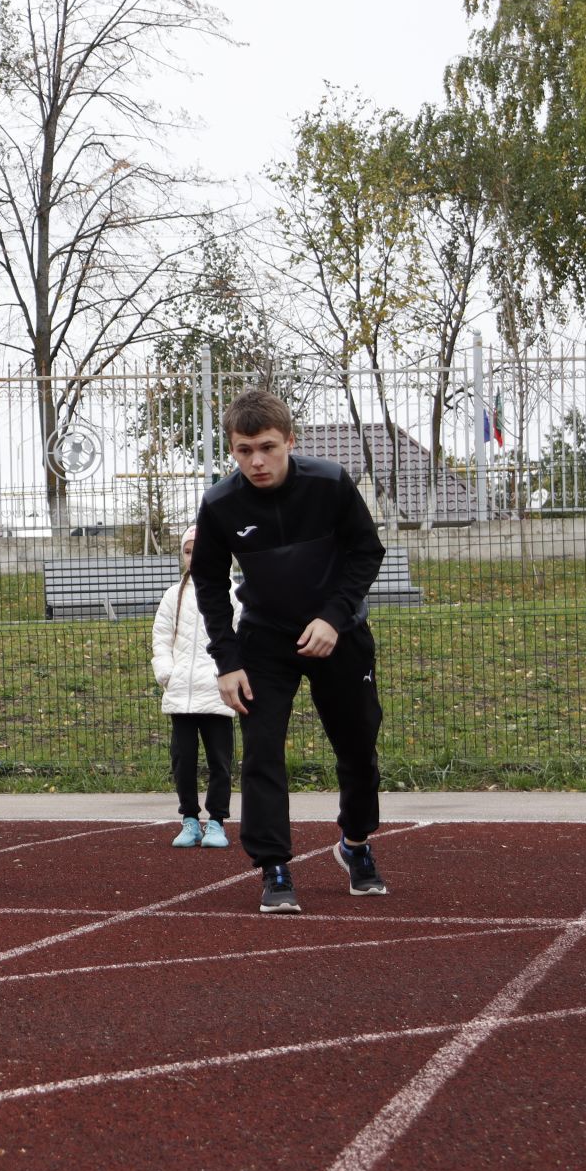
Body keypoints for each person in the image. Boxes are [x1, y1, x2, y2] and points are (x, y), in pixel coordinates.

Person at [190, 389, 388, 914]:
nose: (256, 461)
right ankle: (274, 866)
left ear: (290, 442)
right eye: (243, 450)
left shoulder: (330, 484)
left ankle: (356, 844)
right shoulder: (219, 504)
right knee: (261, 751)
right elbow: (208, 583)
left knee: (358, 746)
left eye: (267, 447)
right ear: (231, 450)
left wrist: (334, 617)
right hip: (265, 642)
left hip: (338, 635)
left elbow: (367, 551)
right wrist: (227, 662)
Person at [151, 523, 238, 850]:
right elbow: (161, 638)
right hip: (181, 696)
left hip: (218, 694)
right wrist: (167, 672)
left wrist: (232, 673)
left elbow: (242, 636)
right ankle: (189, 819)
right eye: (188, 552)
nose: (195, 558)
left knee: (220, 761)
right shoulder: (174, 596)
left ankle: (216, 822)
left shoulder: (232, 595)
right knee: (182, 760)